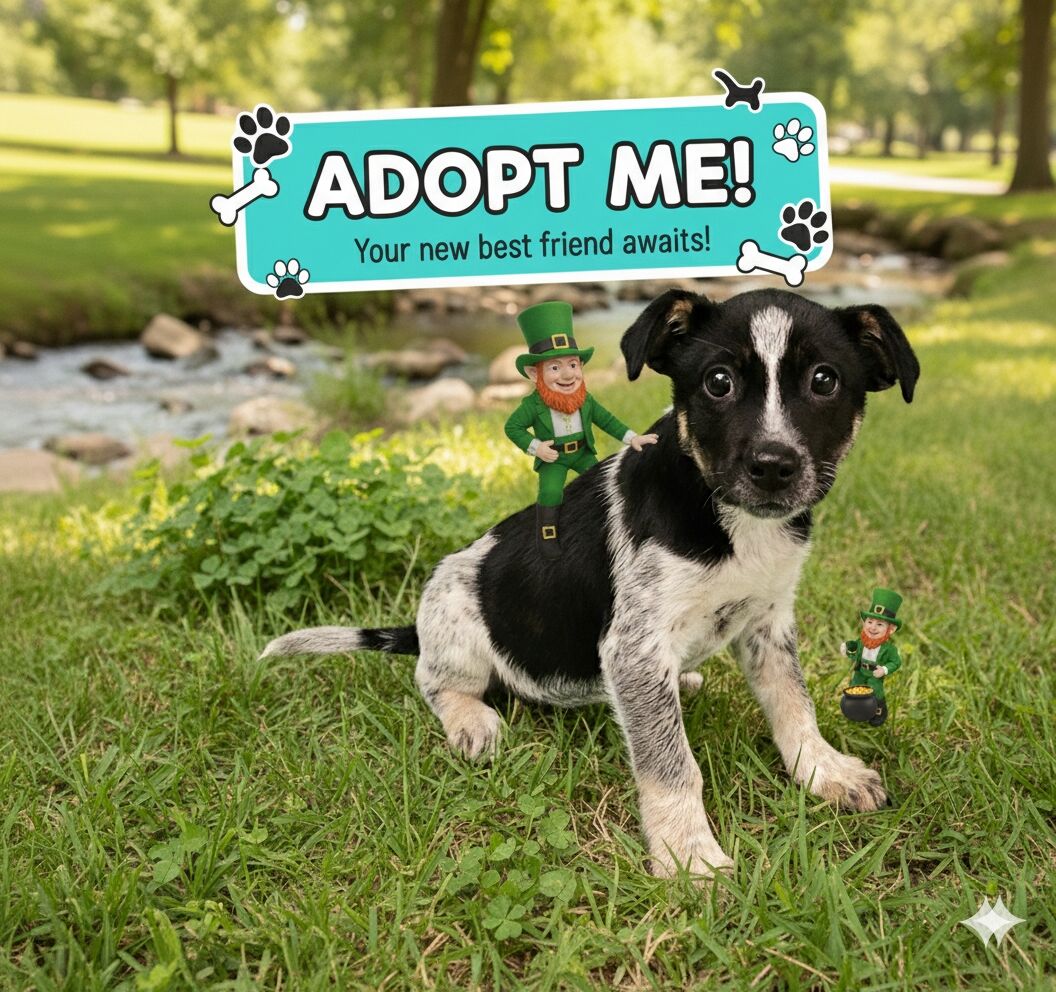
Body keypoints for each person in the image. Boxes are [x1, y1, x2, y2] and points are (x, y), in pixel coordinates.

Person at [504, 300, 658, 559]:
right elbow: (513, 427)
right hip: (554, 455)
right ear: (534, 373)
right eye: (555, 368)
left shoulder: (584, 400)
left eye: (573, 365)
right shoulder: (533, 405)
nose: (567, 375)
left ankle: (599, 530)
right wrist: (536, 447)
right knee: (551, 491)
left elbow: (607, 420)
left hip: (581, 450)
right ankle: (549, 535)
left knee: (597, 486)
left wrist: (632, 437)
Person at [841, 588, 904, 726]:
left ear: (891, 629)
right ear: (864, 623)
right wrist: (847, 647)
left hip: (874, 673)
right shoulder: (862, 641)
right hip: (860, 671)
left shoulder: (889, 649)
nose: (873, 628)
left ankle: (879, 713)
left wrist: (885, 669)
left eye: (880, 624)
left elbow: (896, 662)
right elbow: (855, 646)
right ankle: (856, 711)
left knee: (876, 692)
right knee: (855, 687)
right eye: (870, 622)